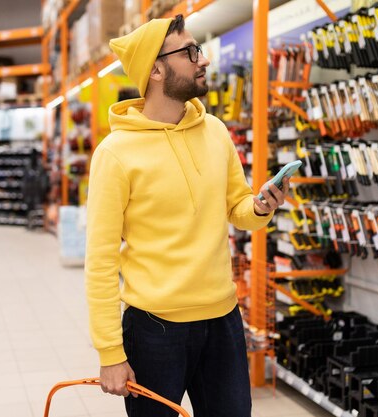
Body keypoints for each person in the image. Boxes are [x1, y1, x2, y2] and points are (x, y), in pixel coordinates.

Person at [85, 14, 289, 417]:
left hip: (223, 320)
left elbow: (238, 207)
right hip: (153, 329)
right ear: (156, 69)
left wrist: (260, 207)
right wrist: (110, 352)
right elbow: (101, 262)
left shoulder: (214, 131)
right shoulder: (115, 154)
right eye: (191, 52)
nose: (204, 60)